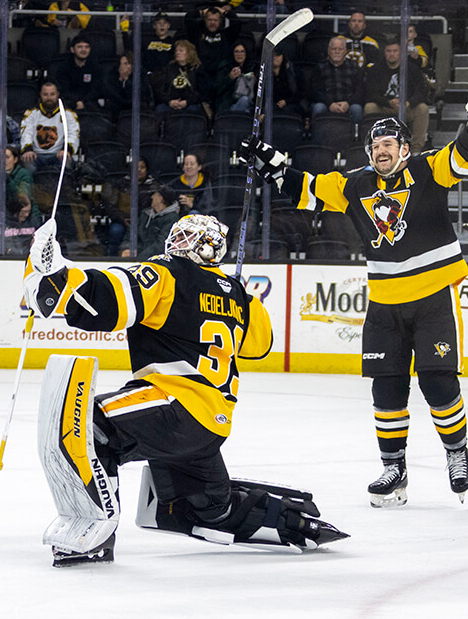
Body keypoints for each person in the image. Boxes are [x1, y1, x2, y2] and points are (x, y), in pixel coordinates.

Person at [242, 68, 468, 507]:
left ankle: (456, 452)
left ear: (406, 148)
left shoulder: (429, 171)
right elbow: (305, 189)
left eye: (389, 144)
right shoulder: (355, 184)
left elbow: (467, 155)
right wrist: (268, 160)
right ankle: (394, 469)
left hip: (431, 300)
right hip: (384, 305)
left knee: (438, 383)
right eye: (375, 145)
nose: (381, 150)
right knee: (386, 390)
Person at [22, 213, 347, 565]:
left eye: (189, 238)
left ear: (209, 248)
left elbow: (109, 299)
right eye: (179, 234)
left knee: (89, 427)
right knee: (208, 508)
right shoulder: (239, 296)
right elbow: (261, 343)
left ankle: (93, 533)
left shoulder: (167, 272)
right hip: (209, 424)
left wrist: (59, 274)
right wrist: (234, 295)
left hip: (173, 404)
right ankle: (291, 521)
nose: (178, 242)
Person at [363, 39, 431, 154]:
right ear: (384, 52)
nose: (392, 54)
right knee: (369, 107)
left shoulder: (412, 69)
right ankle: (373, 147)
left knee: (423, 109)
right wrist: (388, 102)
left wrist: (408, 103)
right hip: (384, 106)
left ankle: (415, 149)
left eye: (395, 51)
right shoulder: (376, 69)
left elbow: (421, 92)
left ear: (401, 53)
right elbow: (370, 93)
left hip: (406, 107)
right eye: (389, 51)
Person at [184, 4, 241, 110]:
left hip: (220, 75)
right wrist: (201, 12)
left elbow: (237, 23)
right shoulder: (197, 34)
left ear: (220, 21)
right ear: (205, 20)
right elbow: (188, 18)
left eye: (215, 20)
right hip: (202, 75)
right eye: (209, 19)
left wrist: (224, 12)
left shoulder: (225, 35)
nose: (212, 23)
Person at [20, 81, 80, 173]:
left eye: (52, 94)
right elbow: (26, 133)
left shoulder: (68, 114)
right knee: (26, 161)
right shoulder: (31, 113)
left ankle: (65, 187)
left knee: (67, 161)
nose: (49, 98)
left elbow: (73, 134)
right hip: (36, 155)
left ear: (57, 95)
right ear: (40, 94)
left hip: (58, 155)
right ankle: (33, 188)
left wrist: (66, 150)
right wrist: (27, 150)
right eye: (45, 94)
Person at [310, 36, 364, 125]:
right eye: (334, 49)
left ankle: (356, 138)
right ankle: (317, 136)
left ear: (345, 51)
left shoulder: (354, 66)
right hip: (326, 104)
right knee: (318, 108)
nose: (337, 52)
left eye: (340, 49)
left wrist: (348, 103)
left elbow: (360, 90)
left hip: (348, 104)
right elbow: (315, 91)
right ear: (328, 51)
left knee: (356, 109)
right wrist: (330, 104)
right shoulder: (320, 67)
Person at [121, 182, 180, 258]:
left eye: (155, 194)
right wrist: (127, 249)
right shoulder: (145, 214)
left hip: (155, 260)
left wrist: (139, 257)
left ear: (160, 198)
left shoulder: (172, 219)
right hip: (139, 255)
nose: (152, 197)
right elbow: (131, 233)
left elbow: (161, 245)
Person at [151, 40, 207, 119]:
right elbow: (160, 90)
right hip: (171, 103)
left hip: (190, 104)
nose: (177, 53)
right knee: (160, 109)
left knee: (193, 110)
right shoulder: (168, 69)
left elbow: (202, 91)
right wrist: (169, 102)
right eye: (176, 51)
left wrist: (187, 102)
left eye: (181, 50)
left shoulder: (197, 69)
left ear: (189, 53)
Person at [99, 52, 154, 121]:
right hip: (117, 108)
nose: (128, 66)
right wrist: (120, 82)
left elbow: (139, 95)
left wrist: (127, 80)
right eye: (125, 63)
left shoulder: (141, 74)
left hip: (135, 108)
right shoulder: (112, 75)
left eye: (130, 63)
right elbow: (113, 95)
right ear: (119, 65)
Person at [54, 33, 102, 113]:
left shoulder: (95, 67)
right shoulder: (64, 67)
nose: (84, 50)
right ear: (72, 49)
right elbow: (63, 89)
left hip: (89, 102)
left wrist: (83, 102)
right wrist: (77, 101)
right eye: (80, 47)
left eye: (86, 47)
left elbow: (97, 88)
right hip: (69, 102)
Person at [218, 41, 257, 114]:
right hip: (229, 105)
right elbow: (217, 89)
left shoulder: (253, 68)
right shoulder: (225, 67)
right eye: (236, 52)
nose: (239, 54)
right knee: (244, 101)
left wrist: (254, 80)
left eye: (242, 51)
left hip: (250, 104)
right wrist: (229, 78)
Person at [268, 46, 305, 117]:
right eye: (272, 55)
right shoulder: (264, 73)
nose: (274, 58)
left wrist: (286, 101)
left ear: (283, 56)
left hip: (292, 104)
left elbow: (301, 93)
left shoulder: (293, 71)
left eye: (277, 55)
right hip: (271, 106)